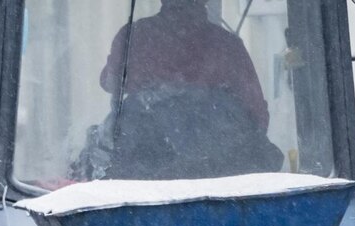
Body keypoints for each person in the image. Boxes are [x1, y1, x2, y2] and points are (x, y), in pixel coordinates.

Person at [87, 0, 281, 180]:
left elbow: (109, 81)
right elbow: (258, 117)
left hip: (139, 189)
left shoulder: (135, 37)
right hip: (223, 183)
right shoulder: (227, 46)